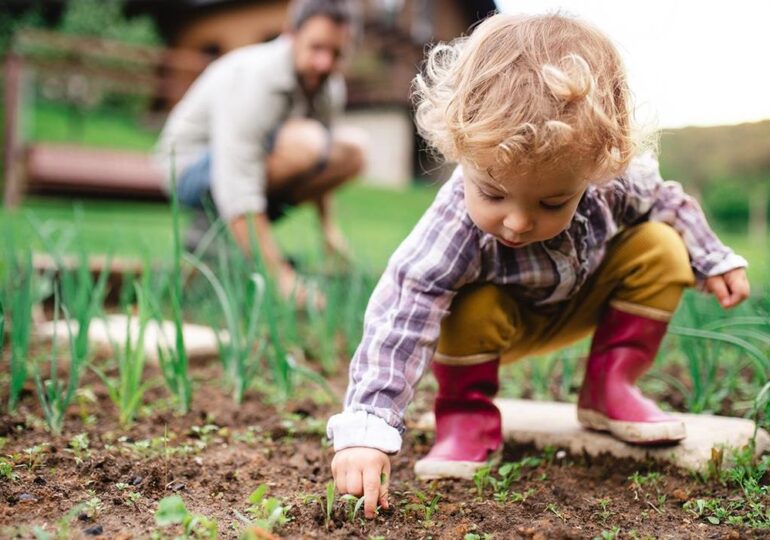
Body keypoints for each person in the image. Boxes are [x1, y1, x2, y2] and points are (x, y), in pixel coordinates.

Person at [326, 13, 750, 518]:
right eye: (493, 193)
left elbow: (669, 202)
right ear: (461, 152)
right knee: (460, 300)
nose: (518, 221)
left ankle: (610, 387)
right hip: (494, 328)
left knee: (660, 244)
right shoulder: (453, 224)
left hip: (580, 300)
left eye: (552, 202)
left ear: (595, 168)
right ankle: (465, 415)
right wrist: (368, 428)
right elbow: (402, 309)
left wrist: (712, 258)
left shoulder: (610, 181)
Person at [154, 0, 364, 303]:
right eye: (316, 48)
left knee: (352, 152)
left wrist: (328, 231)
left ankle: (231, 241)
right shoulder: (255, 77)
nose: (324, 63)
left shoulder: (329, 86)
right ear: (290, 35)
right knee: (307, 141)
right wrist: (280, 276)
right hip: (189, 168)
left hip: (249, 165)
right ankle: (214, 236)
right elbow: (236, 177)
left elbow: (323, 161)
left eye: (337, 53)